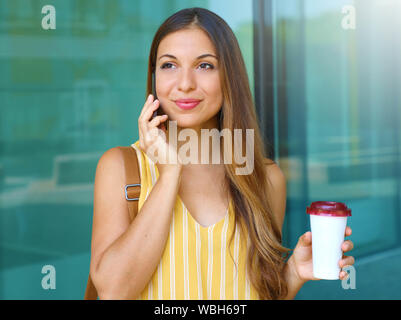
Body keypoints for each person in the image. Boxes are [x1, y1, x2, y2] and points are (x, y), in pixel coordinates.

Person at [89, 7, 355, 300]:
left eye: (204, 66)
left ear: (229, 76)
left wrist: (291, 275)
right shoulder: (122, 168)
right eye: (169, 65)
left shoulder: (264, 178)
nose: (185, 83)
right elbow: (113, 290)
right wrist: (170, 174)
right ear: (154, 77)